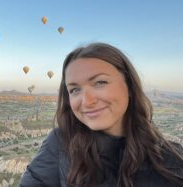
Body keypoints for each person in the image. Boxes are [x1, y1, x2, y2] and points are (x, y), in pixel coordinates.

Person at [19, 43, 183, 187]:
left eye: (100, 82)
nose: (87, 101)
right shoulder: (61, 143)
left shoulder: (173, 159)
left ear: (130, 87)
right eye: (75, 89)